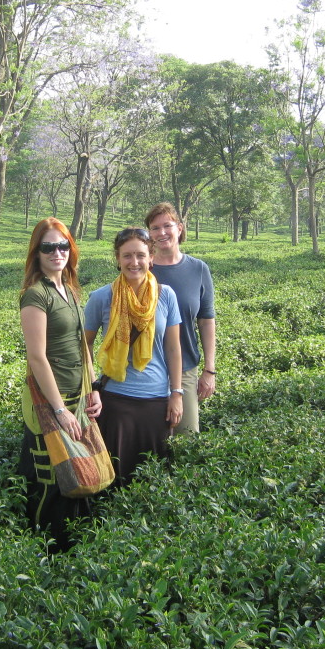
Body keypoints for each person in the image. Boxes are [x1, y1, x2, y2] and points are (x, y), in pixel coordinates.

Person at [17, 218, 102, 552]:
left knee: (79, 472)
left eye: (63, 245)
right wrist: (59, 410)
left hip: (77, 395)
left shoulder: (69, 289)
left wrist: (93, 387)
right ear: (36, 253)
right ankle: (45, 550)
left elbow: (84, 346)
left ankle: (75, 546)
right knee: (51, 478)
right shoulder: (35, 296)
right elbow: (37, 358)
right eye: (48, 247)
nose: (57, 252)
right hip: (51, 400)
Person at [84, 227, 183, 487]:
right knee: (114, 480)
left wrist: (176, 394)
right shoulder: (101, 297)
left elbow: (174, 349)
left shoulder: (166, 296)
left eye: (140, 255)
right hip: (115, 402)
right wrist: (92, 388)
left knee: (153, 480)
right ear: (117, 258)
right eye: (127, 256)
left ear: (151, 257)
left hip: (156, 402)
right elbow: (83, 347)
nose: (134, 262)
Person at [144, 202, 216, 435]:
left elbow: (206, 320)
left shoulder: (198, 269)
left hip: (185, 368)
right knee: (152, 443)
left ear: (180, 228)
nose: (162, 232)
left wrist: (209, 370)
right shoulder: (142, 270)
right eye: (155, 228)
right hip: (147, 369)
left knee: (187, 437)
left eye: (167, 226)